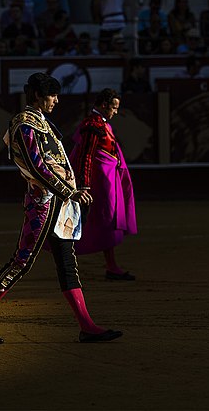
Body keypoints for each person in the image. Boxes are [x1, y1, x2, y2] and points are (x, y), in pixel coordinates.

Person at [0, 73, 122, 344]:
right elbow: (38, 166)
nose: (56, 101)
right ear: (38, 96)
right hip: (42, 204)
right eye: (52, 96)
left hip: (57, 202)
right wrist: (69, 191)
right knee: (22, 261)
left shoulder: (39, 123)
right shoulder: (23, 124)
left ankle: (86, 325)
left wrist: (72, 191)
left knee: (66, 261)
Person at [69, 89, 138, 280]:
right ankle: (68, 263)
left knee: (106, 220)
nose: (115, 112)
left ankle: (111, 265)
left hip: (103, 182)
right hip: (95, 185)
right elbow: (86, 155)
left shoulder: (100, 124)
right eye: (114, 107)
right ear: (104, 105)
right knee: (90, 220)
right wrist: (83, 185)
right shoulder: (93, 125)